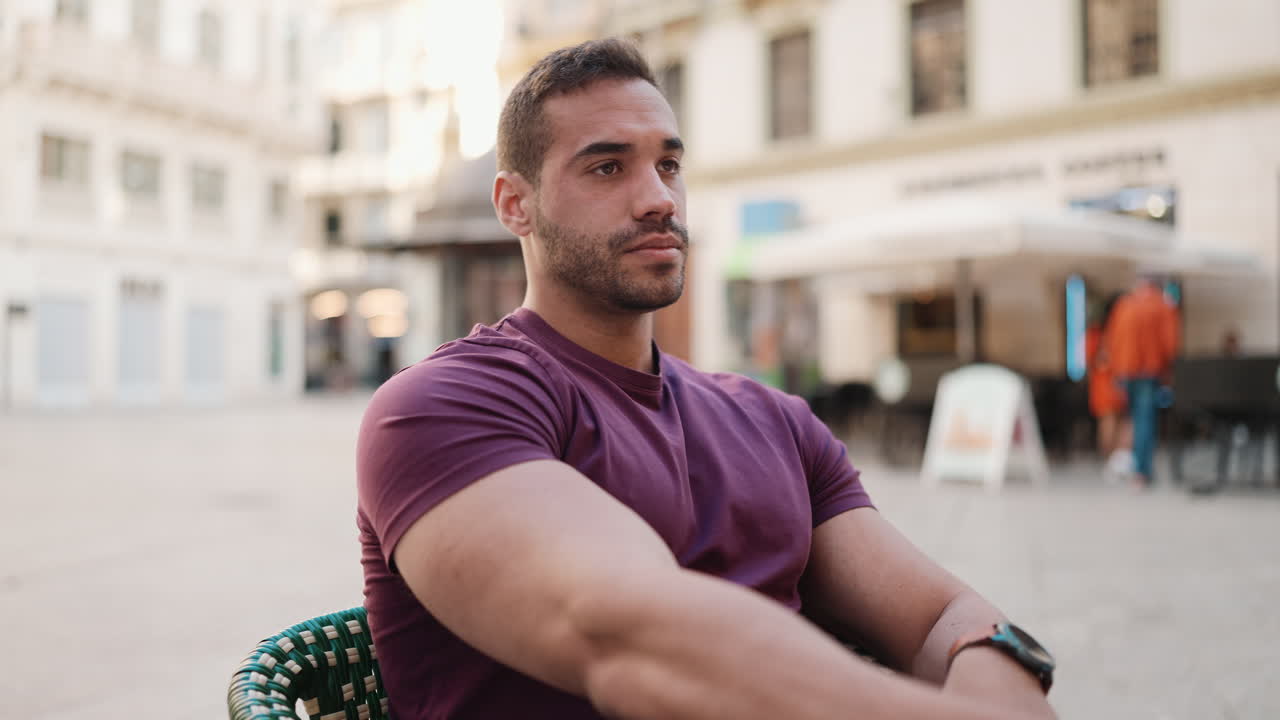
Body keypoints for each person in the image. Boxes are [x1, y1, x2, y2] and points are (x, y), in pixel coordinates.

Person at [356, 39, 1057, 720]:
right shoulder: (443, 407)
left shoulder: (775, 421)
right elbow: (636, 640)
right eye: (607, 168)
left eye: (669, 165)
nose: (658, 198)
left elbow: (943, 618)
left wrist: (1002, 674)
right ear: (515, 204)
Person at [1103, 274, 1180, 488]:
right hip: (1149, 370)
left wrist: (1117, 370)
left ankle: (1135, 466)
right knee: (1146, 420)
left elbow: (1112, 340)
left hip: (1126, 370)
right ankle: (1142, 471)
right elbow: (1170, 343)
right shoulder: (1162, 306)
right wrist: (1169, 369)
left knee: (1134, 419)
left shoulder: (1124, 305)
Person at [1085, 293, 1131, 478]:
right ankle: (1115, 460)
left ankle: (1112, 460)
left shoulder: (1096, 333)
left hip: (1104, 382)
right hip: (1114, 381)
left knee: (1110, 421)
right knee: (1116, 421)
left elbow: (1089, 360)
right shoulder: (1115, 331)